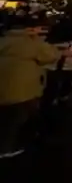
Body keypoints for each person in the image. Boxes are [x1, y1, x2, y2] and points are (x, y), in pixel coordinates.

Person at [0, 26, 61, 158]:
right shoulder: (32, 43)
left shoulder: (5, 39)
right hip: (23, 88)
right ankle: (7, 148)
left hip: (4, 84)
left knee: (6, 115)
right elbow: (51, 55)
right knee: (18, 117)